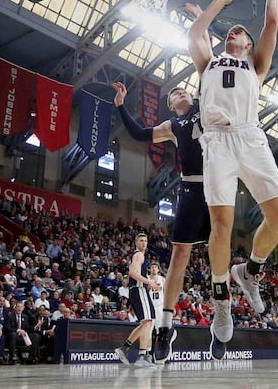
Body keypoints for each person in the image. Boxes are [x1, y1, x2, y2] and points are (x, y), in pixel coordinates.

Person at [186, 0, 278, 361]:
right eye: (232, 31)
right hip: (215, 141)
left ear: (247, 45)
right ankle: (222, 301)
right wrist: (217, 3)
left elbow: (272, 25)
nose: (237, 33)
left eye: (241, 33)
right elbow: (196, 33)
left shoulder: (255, 65)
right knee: (222, 225)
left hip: (249, 137)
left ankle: (250, 271)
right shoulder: (208, 62)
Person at [113, 77, 211, 364]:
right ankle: (165, 327)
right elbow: (139, 133)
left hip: (219, 184)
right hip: (192, 188)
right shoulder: (172, 126)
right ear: (170, 106)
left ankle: (222, 310)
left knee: (220, 250)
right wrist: (120, 106)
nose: (180, 92)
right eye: (175, 94)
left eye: (184, 90)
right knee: (180, 251)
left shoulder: (205, 107)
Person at [114, 233, 160, 367]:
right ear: (136, 243)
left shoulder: (140, 256)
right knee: (148, 322)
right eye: (141, 240)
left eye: (145, 240)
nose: (144, 243)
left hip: (138, 290)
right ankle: (142, 356)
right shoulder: (139, 255)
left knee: (146, 323)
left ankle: (124, 348)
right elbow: (132, 273)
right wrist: (149, 282)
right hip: (139, 289)